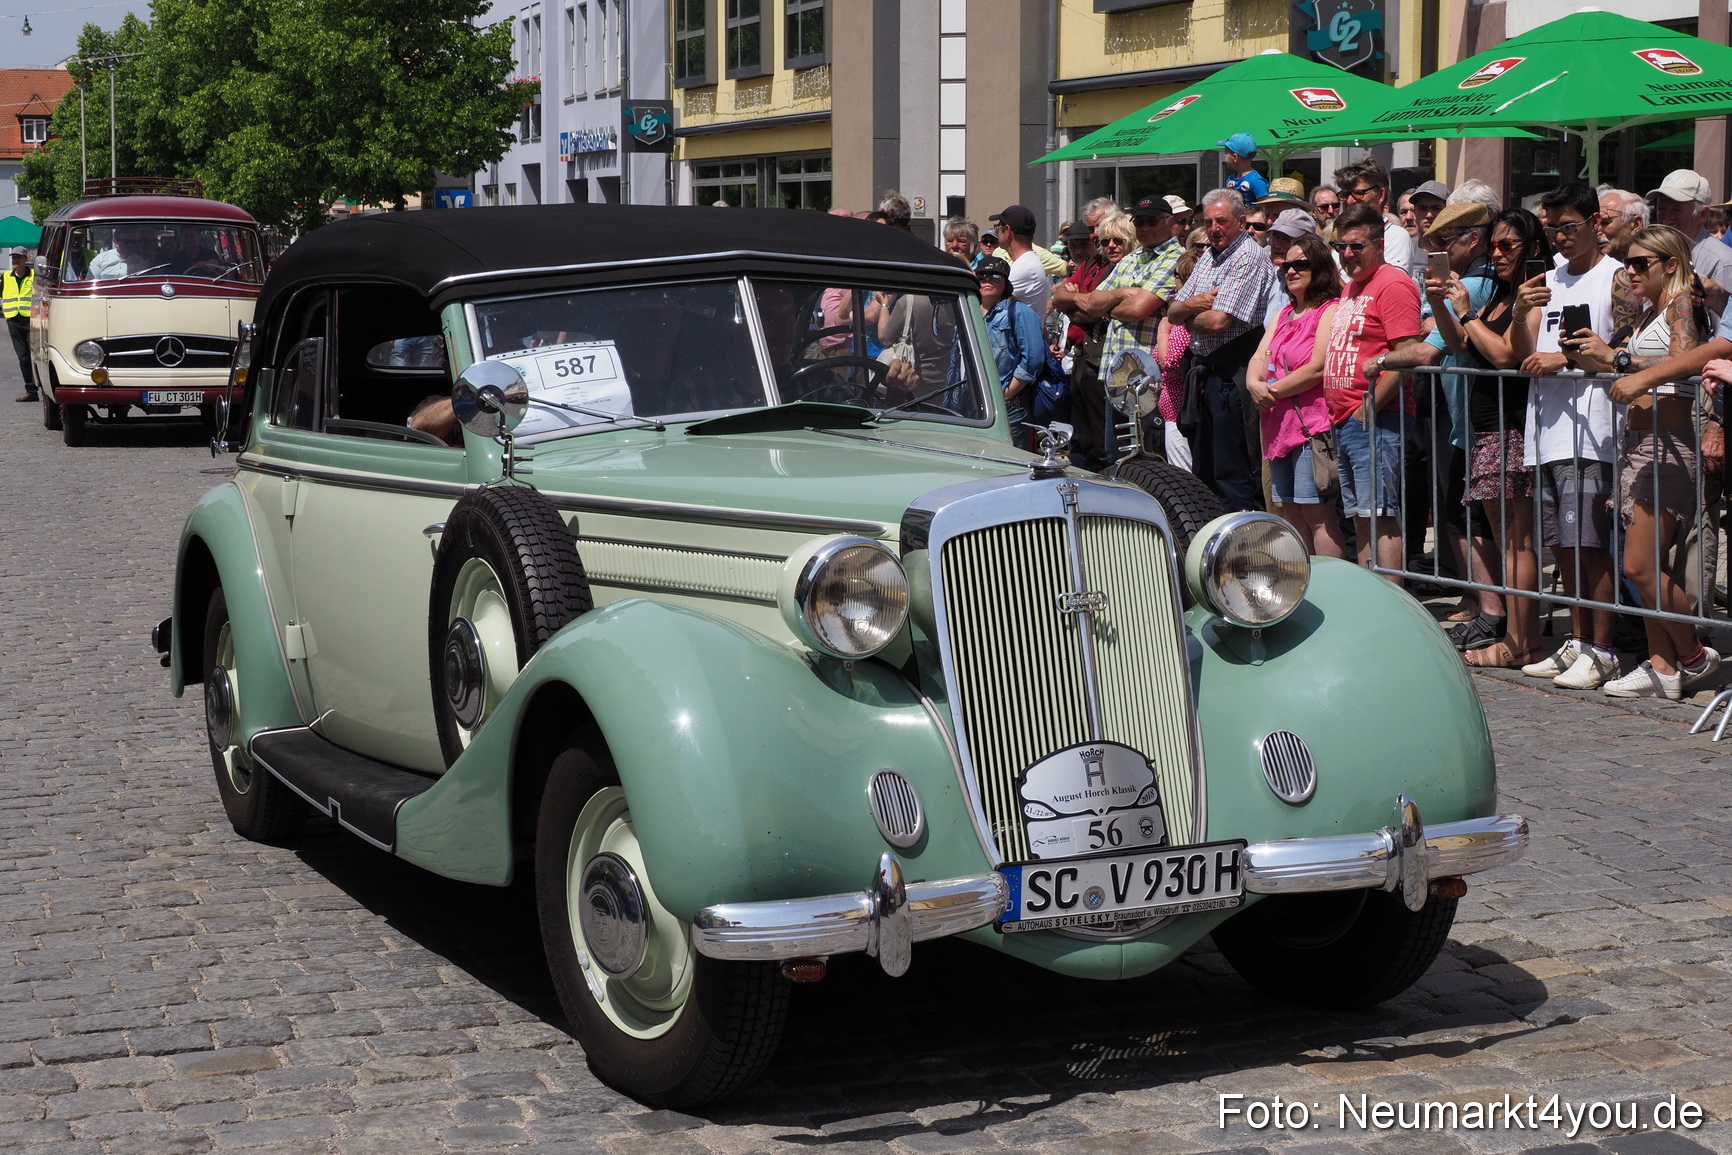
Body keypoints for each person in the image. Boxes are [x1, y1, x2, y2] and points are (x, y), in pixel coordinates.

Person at [1563, 224, 1721, 698]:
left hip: (1667, 445)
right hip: (1640, 445)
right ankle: (1663, 668)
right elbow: (1625, 367)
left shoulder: (1679, 308)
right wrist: (1599, 354)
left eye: (1640, 263)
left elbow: (1687, 361)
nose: (1629, 271)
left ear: (1670, 265)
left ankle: (1693, 654)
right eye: (1627, 262)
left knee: (1638, 568)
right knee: (1650, 563)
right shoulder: (1652, 311)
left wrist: (1624, 363)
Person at [1509, 181, 1622, 689]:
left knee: (1590, 543)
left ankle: (1602, 649)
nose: (1559, 237)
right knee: (1564, 545)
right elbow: (1521, 350)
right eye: (1552, 228)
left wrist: (1567, 357)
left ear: (1596, 223)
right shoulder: (1549, 277)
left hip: (1592, 430)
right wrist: (1517, 313)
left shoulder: (1616, 277)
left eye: (1569, 227)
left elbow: (1625, 345)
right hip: (1547, 429)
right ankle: (1577, 641)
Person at [1430, 208, 1548, 669]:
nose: (1495, 254)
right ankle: (1518, 639)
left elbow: (1505, 357)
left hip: (1512, 427)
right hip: (1487, 429)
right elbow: (1458, 344)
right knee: (1505, 538)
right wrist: (1442, 302)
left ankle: (1524, 642)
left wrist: (1465, 312)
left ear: (1532, 250)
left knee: (1518, 541)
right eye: (1493, 244)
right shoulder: (1498, 295)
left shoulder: (1532, 296)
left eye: (1507, 246)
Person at [1320, 202, 1424, 583]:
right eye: (1341, 246)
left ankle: (1393, 607)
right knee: (1362, 516)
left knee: (1381, 516)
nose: (1348, 254)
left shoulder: (1393, 282)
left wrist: (1369, 407)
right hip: (1348, 419)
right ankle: (1372, 601)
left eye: (1357, 245)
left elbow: (1408, 353)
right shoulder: (1351, 286)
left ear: (1379, 244)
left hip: (1378, 419)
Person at [1167, 188, 1281, 510]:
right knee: (1205, 472)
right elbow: (1172, 311)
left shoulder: (1247, 256)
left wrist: (1188, 317)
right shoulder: (1209, 257)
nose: (1215, 229)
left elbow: (1219, 322)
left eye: (1222, 221)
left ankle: (1241, 551)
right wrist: (1194, 303)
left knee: (1233, 473)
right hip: (1205, 373)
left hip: (1234, 373)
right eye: (1209, 222)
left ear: (1242, 222)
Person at [1246, 232, 1344, 558]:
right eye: (1286, 265)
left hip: (1310, 428)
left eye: (1300, 263)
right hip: (1278, 428)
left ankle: (1332, 591)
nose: (1290, 270)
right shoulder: (1283, 314)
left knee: (1317, 516)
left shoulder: (1330, 309)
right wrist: (1252, 384)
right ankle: (1303, 586)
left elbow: (1318, 367)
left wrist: (1269, 391)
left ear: (1319, 267)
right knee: (1291, 515)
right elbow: (1260, 356)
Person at [1073, 200, 1182, 468]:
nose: (1144, 227)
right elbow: (1093, 303)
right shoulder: (1132, 258)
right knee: (1116, 457)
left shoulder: (1174, 258)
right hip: (1117, 376)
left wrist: (1111, 305)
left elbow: (1137, 309)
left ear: (1169, 222)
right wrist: (1121, 294)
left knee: (1147, 459)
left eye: (1152, 221)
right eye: (1139, 222)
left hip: (1148, 379)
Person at [1051, 211, 1122, 469]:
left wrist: (1078, 301)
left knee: (1100, 438)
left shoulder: (1111, 265)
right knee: (1080, 437)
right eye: (1074, 243)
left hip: (1099, 357)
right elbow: (1060, 297)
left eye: (1092, 235)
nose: (1087, 243)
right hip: (1079, 357)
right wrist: (1080, 300)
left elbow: (1096, 311)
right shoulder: (1090, 264)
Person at [975, 256, 1047, 445]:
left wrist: (1007, 393)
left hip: (1009, 409)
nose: (987, 280)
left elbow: (1034, 358)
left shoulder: (1020, 312)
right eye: (982, 275)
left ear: (1006, 282)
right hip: (972, 407)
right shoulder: (970, 312)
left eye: (995, 276)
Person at [1155, 233, 1207, 469]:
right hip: (1171, 412)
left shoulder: (1186, 324)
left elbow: (1171, 364)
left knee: (1186, 476)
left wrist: (1164, 328)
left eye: (1176, 276)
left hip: (1182, 414)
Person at [1649, 170, 1732, 311]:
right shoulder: (1650, 255)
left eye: (1676, 210)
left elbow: (1723, 329)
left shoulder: (1722, 262)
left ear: (1702, 214)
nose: (1666, 219)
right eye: (1661, 208)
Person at [1334, 156, 1413, 285]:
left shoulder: (1395, 236)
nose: (1349, 201)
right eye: (1345, 195)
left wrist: (1333, 279)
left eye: (1358, 193)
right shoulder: (1339, 238)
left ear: (1381, 194)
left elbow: (1389, 287)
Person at [989, 205, 1052, 320]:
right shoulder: (1026, 263)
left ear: (1007, 230)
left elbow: (988, 302)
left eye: (998, 226)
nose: (997, 231)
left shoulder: (1025, 267)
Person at [5, 248, 34, 402]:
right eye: (13, 258)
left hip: (31, 320)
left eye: (18, 257)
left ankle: (45, 389)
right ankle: (31, 390)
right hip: (14, 321)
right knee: (23, 357)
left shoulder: (34, 276)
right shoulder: (6, 277)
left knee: (35, 356)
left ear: (26, 258)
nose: (15, 261)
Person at [1219, 133, 1268, 202]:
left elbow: (1263, 206)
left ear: (1235, 157)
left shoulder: (1256, 181)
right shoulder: (1230, 180)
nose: (1224, 156)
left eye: (1226, 153)